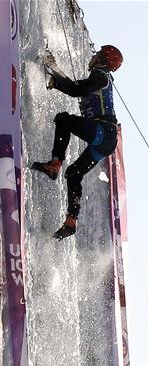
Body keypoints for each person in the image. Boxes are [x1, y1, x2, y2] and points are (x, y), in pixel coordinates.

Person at [30, 44, 123, 239]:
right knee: (73, 174)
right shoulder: (99, 78)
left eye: (97, 54)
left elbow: (75, 90)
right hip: (105, 141)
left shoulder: (100, 75)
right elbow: (75, 87)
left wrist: (55, 81)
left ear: (102, 60)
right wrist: (56, 73)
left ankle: (55, 164)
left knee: (64, 119)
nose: (93, 56)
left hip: (103, 133)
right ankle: (71, 221)